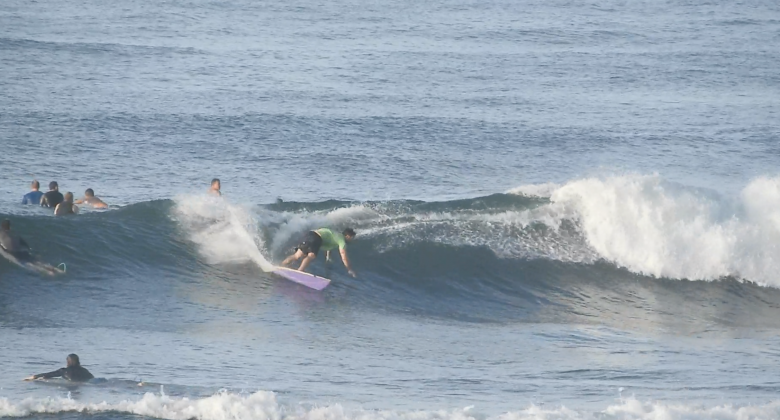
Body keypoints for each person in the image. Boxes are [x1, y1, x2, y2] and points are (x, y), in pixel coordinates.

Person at [282, 228, 357, 277]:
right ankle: (299, 271)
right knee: (311, 255)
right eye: (352, 238)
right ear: (347, 236)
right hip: (317, 238)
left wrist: (328, 256)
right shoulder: (341, 240)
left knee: (297, 255)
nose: (352, 240)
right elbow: (343, 255)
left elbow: (328, 246)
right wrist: (349, 269)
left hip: (310, 234)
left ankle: (281, 265)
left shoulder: (336, 235)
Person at [24, 354, 94, 382]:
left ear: (68, 362)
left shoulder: (64, 371)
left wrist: (33, 377)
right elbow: (93, 379)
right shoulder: (85, 371)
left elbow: (49, 374)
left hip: (69, 383)